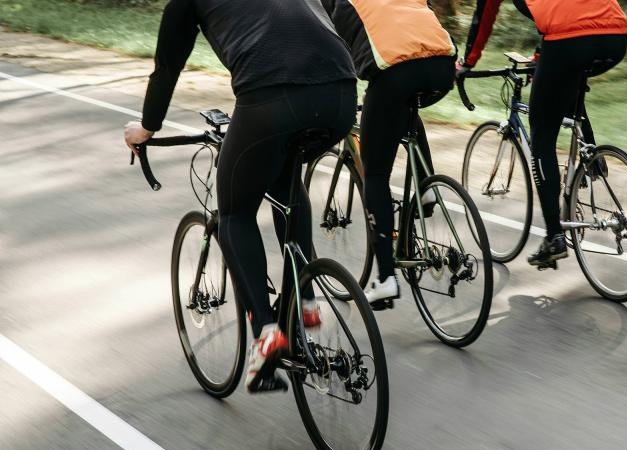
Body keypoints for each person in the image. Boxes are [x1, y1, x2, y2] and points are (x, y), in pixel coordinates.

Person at [123, 0, 357, 392]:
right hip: (341, 95)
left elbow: (167, 67)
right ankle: (307, 300)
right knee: (284, 180)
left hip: (271, 97)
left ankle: (267, 335)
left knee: (233, 214)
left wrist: (146, 127)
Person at [459, 0, 627, 267]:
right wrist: (542, 57)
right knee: (567, 82)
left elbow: (485, 14)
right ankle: (591, 159)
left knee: (542, 136)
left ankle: (554, 237)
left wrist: (467, 62)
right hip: (616, 34)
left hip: (569, 40)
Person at [321, 0, 457, 309]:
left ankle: (385, 280)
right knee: (404, 106)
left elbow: (327, 48)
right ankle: (426, 189)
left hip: (396, 72)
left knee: (376, 174)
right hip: (443, 64)